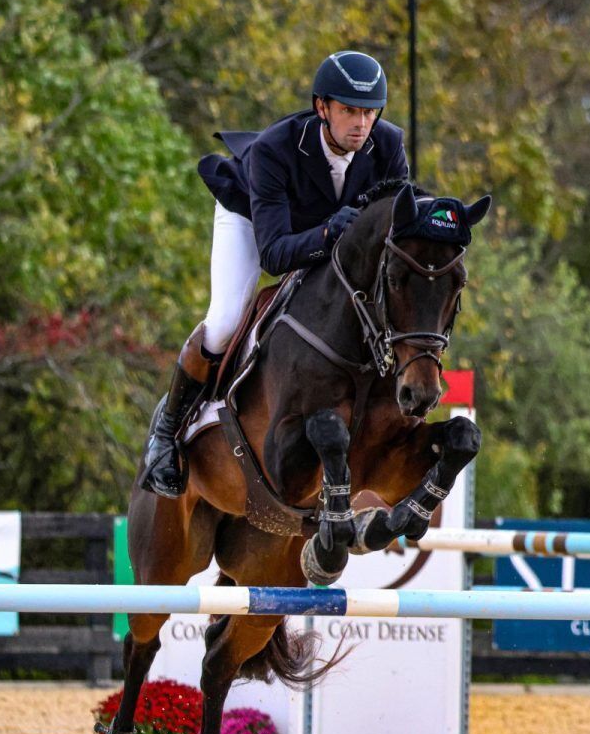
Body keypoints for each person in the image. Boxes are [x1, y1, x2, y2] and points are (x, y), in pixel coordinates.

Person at [141, 50, 410, 498]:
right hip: (252, 219)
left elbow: (396, 228)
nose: (361, 124)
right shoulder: (274, 149)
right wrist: (328, 232)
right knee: (226, 319)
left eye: (368, 112)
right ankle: (166, 432)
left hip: (326, 226)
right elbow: (275, 256)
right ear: (321, 107)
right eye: (348, 111)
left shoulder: (388, 145)